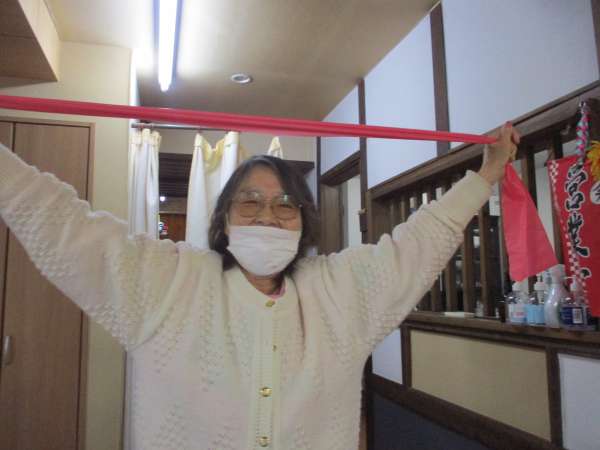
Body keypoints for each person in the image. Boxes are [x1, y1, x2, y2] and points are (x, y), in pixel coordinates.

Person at [0, 123, 519, 450]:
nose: (268, 216)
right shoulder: (168, 282)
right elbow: (63, 224)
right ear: (224, 220)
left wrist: (487, 175)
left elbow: (416, 244)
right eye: (249, 202)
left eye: (285, 205)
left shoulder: (340, 292)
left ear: (303, 222)